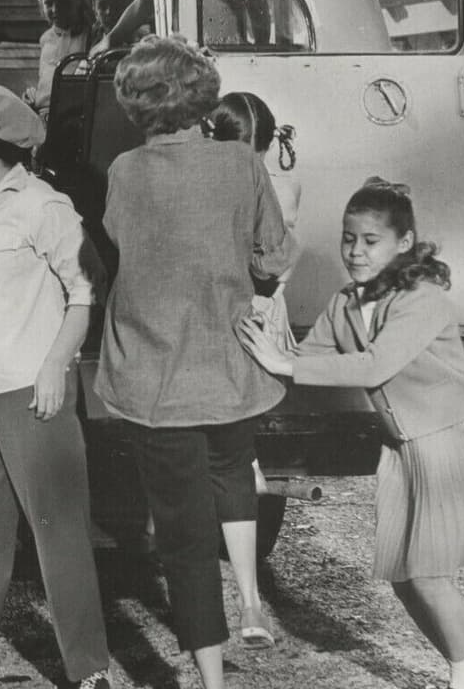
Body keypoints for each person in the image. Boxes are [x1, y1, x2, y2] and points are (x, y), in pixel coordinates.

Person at [237, 178, 464, 689]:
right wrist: (261, 339)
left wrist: (284, 362)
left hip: (453, 438)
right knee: (402, 577)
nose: (355, 251)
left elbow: (373, 366)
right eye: (349, 239)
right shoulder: (345, 302)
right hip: (403, 445)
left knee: (428, 575)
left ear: (404, 243)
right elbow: (306, 359)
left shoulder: (423, 298)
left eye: (371, 241)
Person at [94, 35, 295, 689]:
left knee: (183, 538)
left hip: (153, 379)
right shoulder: (241, 163)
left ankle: (210, 679)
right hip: (230, 366)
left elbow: (120, 241)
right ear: (201, 96)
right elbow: (274, 254)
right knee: (232, 471)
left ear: (136, 103)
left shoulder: (125, 171)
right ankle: (251, 601)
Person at [0, 80, 112, 689]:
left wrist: (57, 365)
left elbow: (86, 290)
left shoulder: (43, 205)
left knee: (58, 534)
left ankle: (90, 671)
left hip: (31, 389)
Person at [205, 89, 301, 649]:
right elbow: (280, 256)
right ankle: (249, 604)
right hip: (255, 308)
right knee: (238, 436)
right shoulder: (275, 180)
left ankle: (241, 604)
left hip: (229, 313)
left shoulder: (209, 181)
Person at [27, 0, 92, 116]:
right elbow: (46, 81)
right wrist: (35, 95)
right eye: (48, 3)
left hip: (72, 115)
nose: (55, 9)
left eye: (62, 2)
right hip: (43, 114)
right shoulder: (45, 39)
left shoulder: (89, 35)